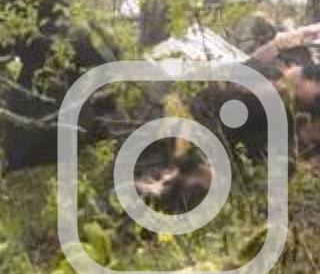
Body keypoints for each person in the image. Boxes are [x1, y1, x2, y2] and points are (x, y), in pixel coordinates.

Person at [137, 60, 320, 211]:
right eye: (316, 101)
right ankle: (162, 184)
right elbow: (205, 107)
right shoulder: (264, 81)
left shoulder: (282, 112)